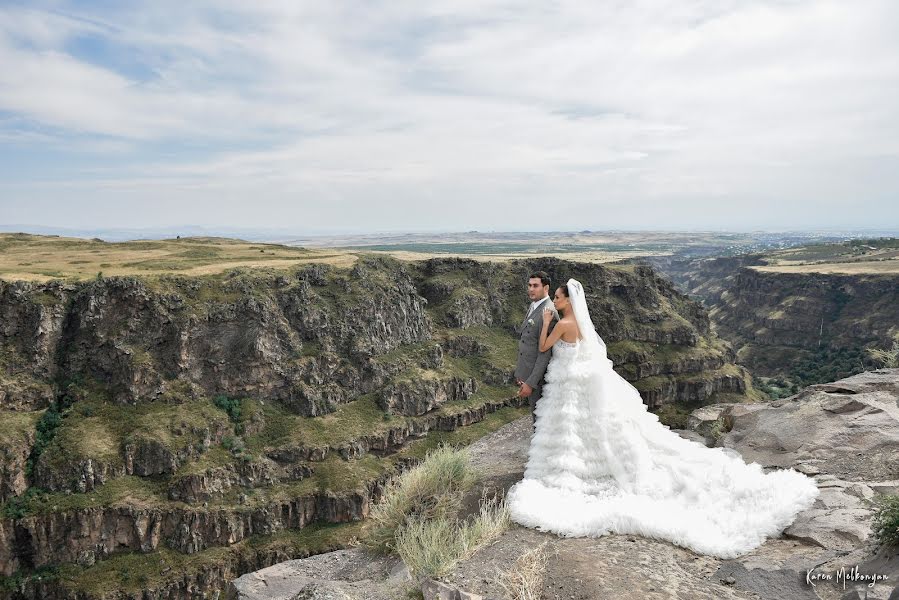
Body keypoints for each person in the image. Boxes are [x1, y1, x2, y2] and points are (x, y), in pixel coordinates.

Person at [505, 278, 820, 559]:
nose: (556, 303)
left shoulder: (562, 324)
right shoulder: (583, 326)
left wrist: (547, 322)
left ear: (567, 301)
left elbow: (546, 345)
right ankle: (593, 464)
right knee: (588, 423)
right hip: (581, 377)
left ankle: (573, 469)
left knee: (569, 426)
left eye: (559, 299)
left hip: (567, 381)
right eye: (555, 300)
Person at [513, 271, 559, 428]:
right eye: (529, 285)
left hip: (538, 379)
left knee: (539, 420)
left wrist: (531, 383)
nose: (531, 289)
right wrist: (521, 373)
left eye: (535, 286)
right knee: (535, 416)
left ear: (545, 287)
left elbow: (544, 353)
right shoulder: (534, 305)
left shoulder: (549, 311)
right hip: (528, 372)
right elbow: (527, 343)